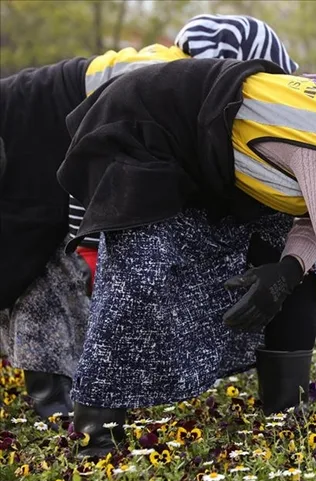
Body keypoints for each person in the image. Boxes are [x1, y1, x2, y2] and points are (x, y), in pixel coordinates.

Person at [57, 59, 316, 457]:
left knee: (296, 264)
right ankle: (97, 434)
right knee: (143, 273)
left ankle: (285, 406)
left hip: (205, 140)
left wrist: (287, 270)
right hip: (142, 124)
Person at [0, 14, 299, 422]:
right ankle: (54, 403)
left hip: (50, 124)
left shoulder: (170, 79)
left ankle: (59, 399)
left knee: (50, 257)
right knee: (38, 260)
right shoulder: (161, 80)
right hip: (32, 127)